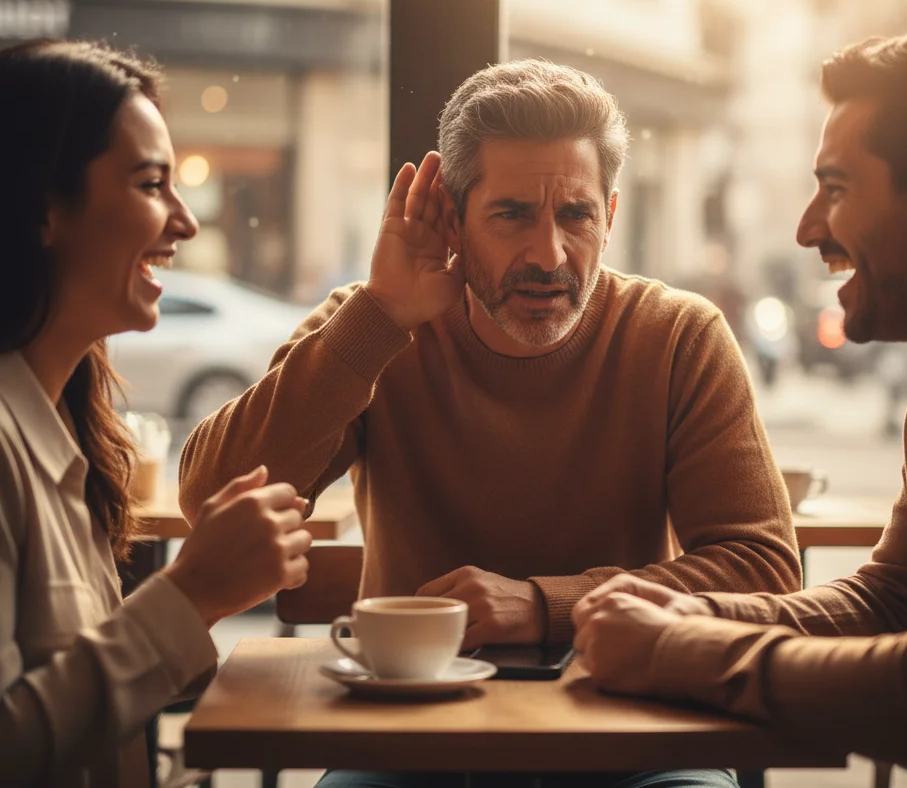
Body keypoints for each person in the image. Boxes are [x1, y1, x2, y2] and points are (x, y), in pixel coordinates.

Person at [179, 58, 801, 788]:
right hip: (411, 744)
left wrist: (543, 605)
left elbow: (766, 571)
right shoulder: (373, 326)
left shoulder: (678, 336)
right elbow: (211, 499)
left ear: (611, 215)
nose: (549, 255)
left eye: (576, 215)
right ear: (453, 218)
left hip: (631, 739)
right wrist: (379, 317)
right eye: (511, 216)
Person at [572, 31, 907, 788]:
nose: (808, 228)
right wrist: (696, 619)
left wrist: (672, 651)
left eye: (838, 189)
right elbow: (892, 598)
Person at [0, 40, 313, 787]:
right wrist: (193, 594)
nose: (186, 223)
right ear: (43, 205)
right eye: (150, 185)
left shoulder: (62, 427)